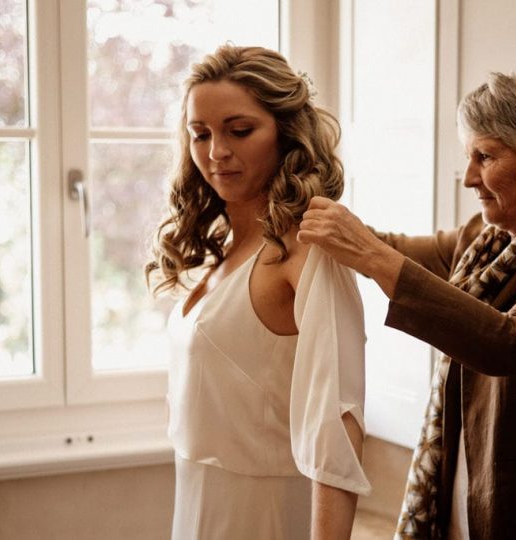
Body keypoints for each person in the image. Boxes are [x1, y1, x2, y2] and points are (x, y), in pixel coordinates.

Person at [297, 63, 516, 538]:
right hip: (464, 506)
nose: (469, 178)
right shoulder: (484, 240)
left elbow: (513, 343)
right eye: (469, 157)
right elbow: (389, 247)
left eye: (486, 156)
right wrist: (298, 200)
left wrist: (369, 254)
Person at [145, 45, 371, 540]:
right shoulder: (229, 246)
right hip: (197, 503)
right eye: (199, 134)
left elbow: (338, 418)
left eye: (239, 131)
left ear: (286, 133)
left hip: (265, 515)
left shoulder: (306, 250)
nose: (215, 152)